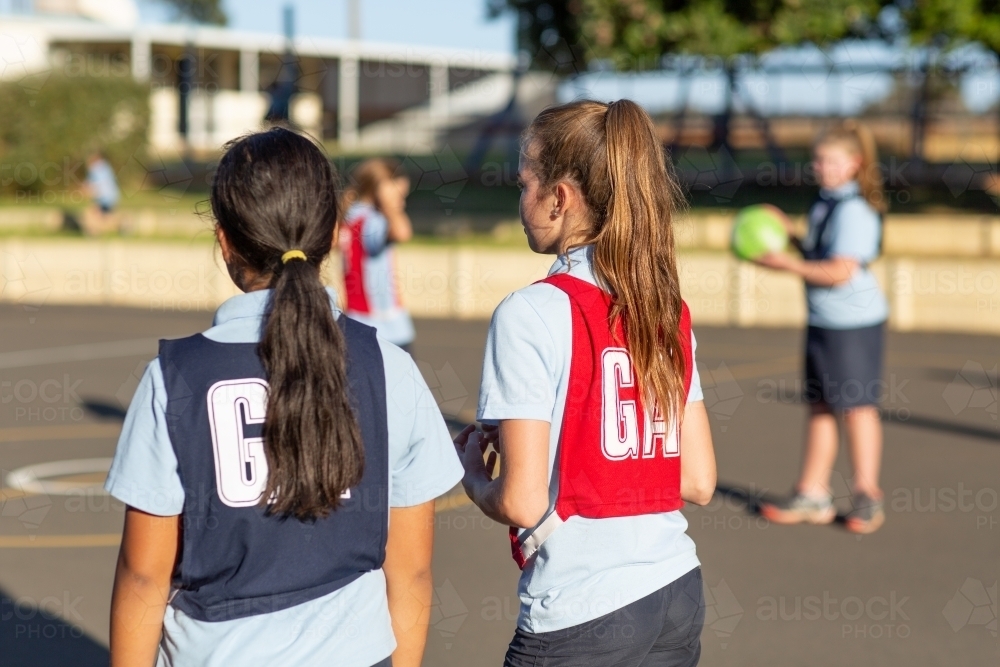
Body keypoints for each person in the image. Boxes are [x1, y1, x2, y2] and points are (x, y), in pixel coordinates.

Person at [105, 128, 463, 667]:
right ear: (332, 233)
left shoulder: (173, 379)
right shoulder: (390, 367)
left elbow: (143, 578)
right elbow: (409, 570)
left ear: (224, 241)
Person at [455, 100, 717, 667]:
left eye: (525, 183)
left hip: (584, 608)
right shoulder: (665, 310)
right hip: (675, 588)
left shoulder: (531, 312)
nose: (521, 200)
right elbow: (697, 480)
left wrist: (474, 479)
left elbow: (524, 502)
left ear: (560, 197)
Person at [756, 119, 888, 534]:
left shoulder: (855, 210)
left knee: (857, 408)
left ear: (854, 163)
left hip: (853, 325)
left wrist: (786, 264)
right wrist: (790, 236)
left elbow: (839, 271)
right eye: (818, 160)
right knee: (820, 407)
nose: (822, 168)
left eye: (831, 161)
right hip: (823, 322)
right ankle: (812, 493)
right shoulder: (824, 203)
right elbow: (819, 253)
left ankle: (868, 496)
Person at [339, 159, 415, 353]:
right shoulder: (372, 223)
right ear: (379, 190)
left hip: (356, 322)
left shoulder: (350, 218)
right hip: (386, 329)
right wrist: (391, 206)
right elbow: (402, 233)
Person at [82, 151, 121, 235]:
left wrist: (86, 190)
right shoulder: (105, 167)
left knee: (92, 213)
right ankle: (121, 224)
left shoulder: (95, 169)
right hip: (112, 196)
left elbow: (94, 186)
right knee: (106, 215)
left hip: (103, 197)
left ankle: (93, 231)